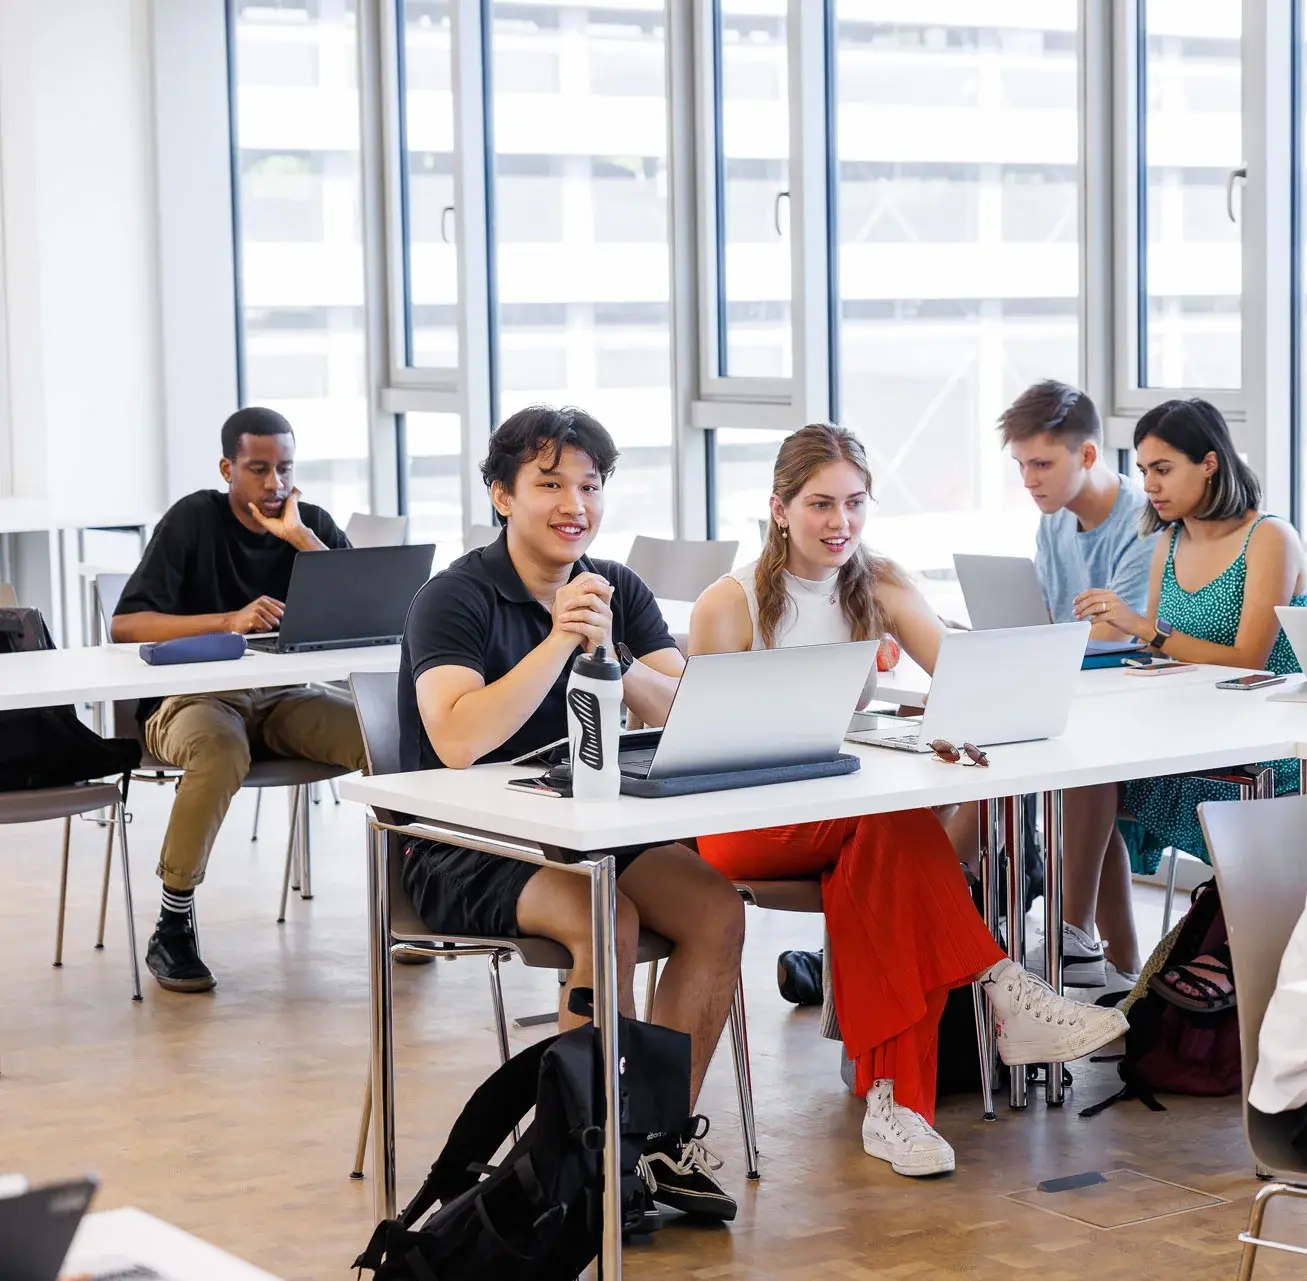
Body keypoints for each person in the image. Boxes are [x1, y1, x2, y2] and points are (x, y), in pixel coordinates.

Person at [689, 423, 1127, 1178]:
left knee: (882, 849)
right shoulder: (727, 606)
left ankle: (897, 1106)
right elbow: (704, 753)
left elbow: (957, 670)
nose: (841, 523)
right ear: (778, 508)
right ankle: (999, 986)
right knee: (887, 822)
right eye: (821, 504)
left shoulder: (879, 583)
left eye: (855, 503)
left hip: (851, 814)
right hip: (745, 821)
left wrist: (954, 720)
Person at [398, 404, 745, 1221]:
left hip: (592, 827)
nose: (574, 505)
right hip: (465, 844)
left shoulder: (613, 586)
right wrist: (557, 641)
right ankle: (579, 1163)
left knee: (715, 909)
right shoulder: (452, 597)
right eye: (549, 483)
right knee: (608, 916)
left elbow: (682, 705)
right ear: (500, 495)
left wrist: (613, 657)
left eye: (589, 486)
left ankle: (649, 1144)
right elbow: (453, 740)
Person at [112, 407, 366, 994]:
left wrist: (302, 540)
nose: (275, 485)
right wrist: (230, 621)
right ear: (228, 467)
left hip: (286, 697)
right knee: (221, 749)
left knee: (381, 733)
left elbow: (365, 610)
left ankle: (418, 895)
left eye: (285, 469)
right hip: (193, 699)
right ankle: (173, 923)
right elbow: (126, 625)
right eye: (258, 469)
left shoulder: (310, 523)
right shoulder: (192, 521)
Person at [1063, 398, 1307, 1003]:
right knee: (1083, 770)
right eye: (1144, 470)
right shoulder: (1169, 544)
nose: (1149, 485)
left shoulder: (1269, 537)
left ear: (1210, 464)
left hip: (1262, 747)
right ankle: (1086, 943)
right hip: (1190, 727)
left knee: (1097, 777)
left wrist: (1143, 629)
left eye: (1163, 469)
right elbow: (1169, 655)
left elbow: (1251, 654)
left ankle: (1092, 949)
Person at [985, 380, 1160, 993]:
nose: (1030, 480)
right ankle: (1083, 948)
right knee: (969, 743)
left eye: (1042, 464)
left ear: (1087, 456)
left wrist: (1040, 646)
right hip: (1069, 685)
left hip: (1131, 692)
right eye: (1021, 466)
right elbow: (1054, 624)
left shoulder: (1142, 521)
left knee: (1081, 759)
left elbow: (1122, 636)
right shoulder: (1055, 523)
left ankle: (1069, 932)